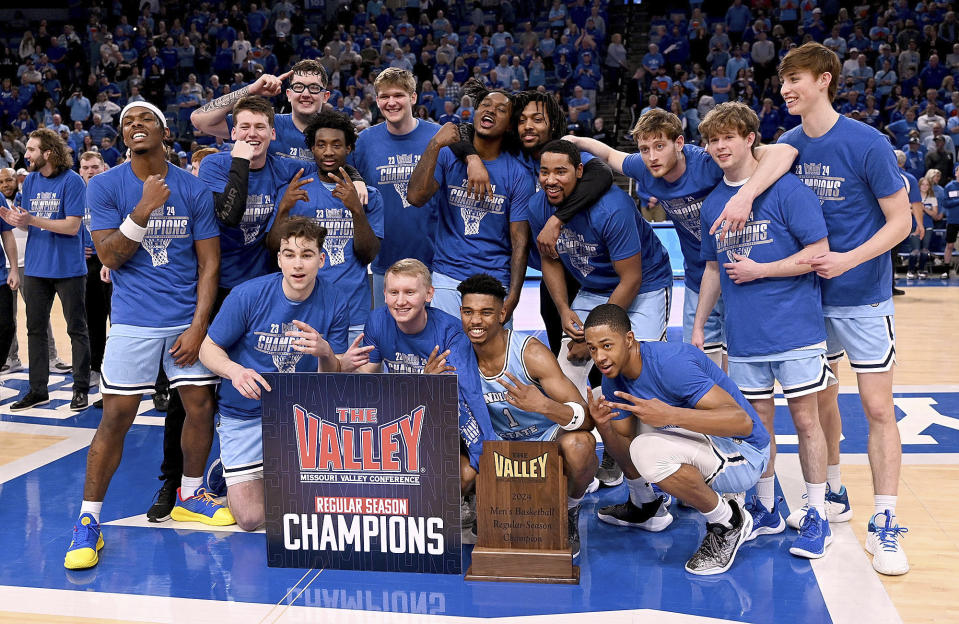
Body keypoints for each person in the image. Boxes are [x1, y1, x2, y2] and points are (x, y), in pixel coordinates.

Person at [727, 42, 912, 576]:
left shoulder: (867, 143)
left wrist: (848, 259)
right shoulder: (786, 143)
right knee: (821, 406)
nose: (786, 89)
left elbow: (900, 223)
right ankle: (832, 490)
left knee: (878, 408)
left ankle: (886, 521)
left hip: (863, 295)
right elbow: (764, 170)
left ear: (825, 80)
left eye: (797, 80)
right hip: (808, 303)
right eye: (783, 82)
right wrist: (742, 199)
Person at [65, 102, 231, 572]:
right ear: (122, 138)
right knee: (116, 417)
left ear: (163, 131)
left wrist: (200, 326)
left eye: (144, 120)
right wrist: (142, 209)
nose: (134, 126)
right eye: (126, 124)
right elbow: (111, 258)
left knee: (199, 407)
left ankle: (192, 493)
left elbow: (209, 264)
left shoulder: (193, 188)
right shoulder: (103, 185)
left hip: (185, 319)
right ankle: (88, 521)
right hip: (134, 320)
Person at [693, 102, 836, 558]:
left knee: (807, 421)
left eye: (728, 137)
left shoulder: (788, 191)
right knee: (758, 427)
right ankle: (768, 507)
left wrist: (763, 270)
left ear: (750, 138)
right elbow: (713, 271)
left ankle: (817, 513)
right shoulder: (714, 202)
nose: (719, 147)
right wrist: (697, 327)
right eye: (712, 140)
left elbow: (819, 254)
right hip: (744, 337)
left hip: (795, 329)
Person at [563, 109, 799, 370]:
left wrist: (745, 197)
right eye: (644, 149)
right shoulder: (643, 167)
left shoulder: (707, 163)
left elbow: (784, 152)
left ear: (679, 143)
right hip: (700, 276)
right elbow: (608, 154)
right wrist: (576, 141)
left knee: (744, 365)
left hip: (740, 273)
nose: (652, 157)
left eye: (660, 146)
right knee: (698, 364)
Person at [529, 139, 674, 529]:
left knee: (631, 381)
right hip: (591, 287)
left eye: (561, 171)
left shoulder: (613, 207)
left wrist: (593, 337)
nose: (551, 179)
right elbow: (551, 262)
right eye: (545, 171)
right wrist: (563, 313)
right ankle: (581, 467)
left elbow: (631, 278)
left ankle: (654, 493)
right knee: (563, 376)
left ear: (579, 172)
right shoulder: (538, 206)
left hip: (642, 288)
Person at [199, 217, 361, 531]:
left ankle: (259, 471)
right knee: (250, 519)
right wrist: (236, 372)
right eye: (289, 254)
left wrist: (327, 353)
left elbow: (332, 376)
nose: (297, 264)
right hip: (245, 412)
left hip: (299, 414)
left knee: (328, 502)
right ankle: (230, 471)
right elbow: (208, 350)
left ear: (321, 259)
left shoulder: (336, 300)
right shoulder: (248, 295)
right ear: (279, 259)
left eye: (307, 254)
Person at [584, 303, 769, 575]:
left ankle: (729, 522)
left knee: (648, 447)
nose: (599, 356)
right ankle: (645, 505)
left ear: (629, 339)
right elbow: (626, 451)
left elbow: (741, 422)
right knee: (637, 443)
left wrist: (670, 414)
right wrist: (604, 428)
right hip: (707, 444)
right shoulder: (614, 379)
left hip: (745, 453)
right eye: (592, 348)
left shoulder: (671, 364)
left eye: (606, 345)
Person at [457, 273, 597, 556]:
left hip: (544, 442)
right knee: (455, 473)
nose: (475, 321)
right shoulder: (457, 355)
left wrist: (543, 405)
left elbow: (586, 417)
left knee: (581, 446)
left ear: (502, 313)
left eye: (486, 312)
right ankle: (479, 503)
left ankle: (569, 510)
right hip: (495, 446)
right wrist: (430, 382)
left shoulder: (529, 353)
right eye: (468, 312)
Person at [357, 258, 494, 506]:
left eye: (410, 292)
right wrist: (424, 384)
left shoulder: (450, 332)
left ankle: (467, 497)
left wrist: (486, 454)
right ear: (384, 294)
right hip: (400, 413)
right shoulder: (377, 321)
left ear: (429, 294)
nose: (400, 301)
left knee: (464, 476)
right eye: (393, 292)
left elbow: (468, 395)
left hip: (444, 419)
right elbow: (367, 383)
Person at [407, 82, 533, 320]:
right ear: (475, 113)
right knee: (445, 354)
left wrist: (514, 295)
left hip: (494, 279)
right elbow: (415, 197)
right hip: (447, 276)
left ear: (509, 126)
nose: (490, 110)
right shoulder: (446, 156)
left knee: (491, 357)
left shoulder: (518, 174)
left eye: (501, 109)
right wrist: (434, 144)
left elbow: (519, 242)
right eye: (485, 105)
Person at [269, 110, 383, 344]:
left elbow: (368, 254)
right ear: (312, 148)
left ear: (348, 148)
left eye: (336, 145)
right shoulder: (295, 192)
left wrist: (356, 211)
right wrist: (283, 208)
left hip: (354, 312)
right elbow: (273, 249)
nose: (328, 152)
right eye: (321, 145)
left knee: (349, 381)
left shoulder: (368, 197)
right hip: (304, 313)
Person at [0, 128, 91, 411]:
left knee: (77, 329)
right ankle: (38, 389)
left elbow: (72, 226)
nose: (25, 154)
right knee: (34, 330)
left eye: (31, 150)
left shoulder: (73, 181)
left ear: (48, 153)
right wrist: (17, 220)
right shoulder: (32, 181)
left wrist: (34, 220)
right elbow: (29, 222)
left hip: (68, 268)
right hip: (37, 268)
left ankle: (81, 388)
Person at [348, 68, 439, 309]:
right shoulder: (365, 141)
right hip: (384, 260)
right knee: (387, 337)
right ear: (376, 100)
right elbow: (344, 173)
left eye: (398, 95)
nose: (391, 102)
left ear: (413, 97)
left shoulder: (438, 137)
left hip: (435, 260)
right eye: (384, 97)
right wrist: (355, 177)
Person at [77, 152, 111, 395]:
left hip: (114, 262)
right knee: (93, 320)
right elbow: (68, 226)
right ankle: (95, 367)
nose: (90, 171)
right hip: (87, 264)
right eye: (86, 167)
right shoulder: (77, 195)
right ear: (80, 171)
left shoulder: (112, 192)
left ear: (104, 167)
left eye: (95, 167)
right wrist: (78, 246)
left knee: (118, 321)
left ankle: (123, 370)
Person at [942, 163, 959, 278]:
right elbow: (945, 203)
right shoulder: (949, 186)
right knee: (949, 245)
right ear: (956, 173)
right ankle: (946, 270)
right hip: (953, 221)